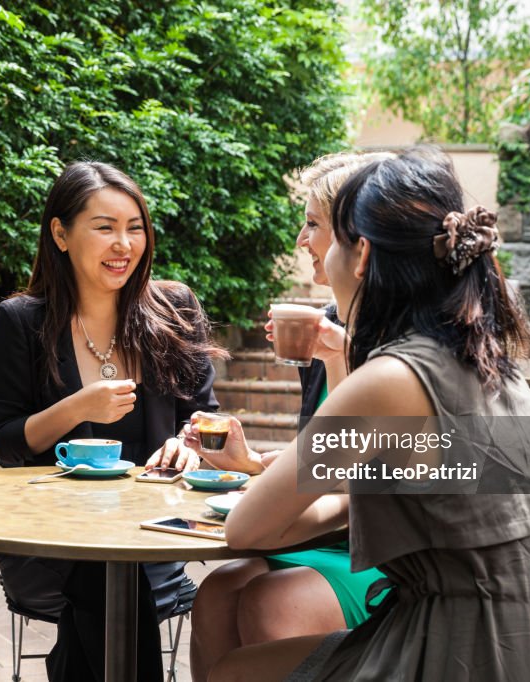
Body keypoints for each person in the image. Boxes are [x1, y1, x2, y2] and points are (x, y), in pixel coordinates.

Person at [209, 147, 530, 681]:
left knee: (232, 673)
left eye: (323, 230)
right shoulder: (479, 357)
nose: (308, 244)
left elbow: (245, 527)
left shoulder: (391, 379)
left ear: (360, 253)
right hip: (529, 643)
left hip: (459, 649)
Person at [0, 160, 223, 681]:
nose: (124, 244)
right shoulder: (22, 323)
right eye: (105, 227)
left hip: (154, 533)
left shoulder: (173, 310)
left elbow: (207, 419)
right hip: (49, 543)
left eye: (135, 228)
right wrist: (79, 407)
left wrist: (189, 443)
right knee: (103, 575)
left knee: (116, 575)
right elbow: (6, 441)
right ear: (61, 235)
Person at [184, 152, 395, 682]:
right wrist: (254, 464)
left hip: (386, 555)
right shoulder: (331, 332)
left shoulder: (396, 348)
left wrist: (268, 510)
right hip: (332, 534)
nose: (302, 240)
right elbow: (328, 466)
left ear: (360, 242)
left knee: (268, 600)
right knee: (215, 593)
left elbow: (364, 481)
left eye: (313, 223)